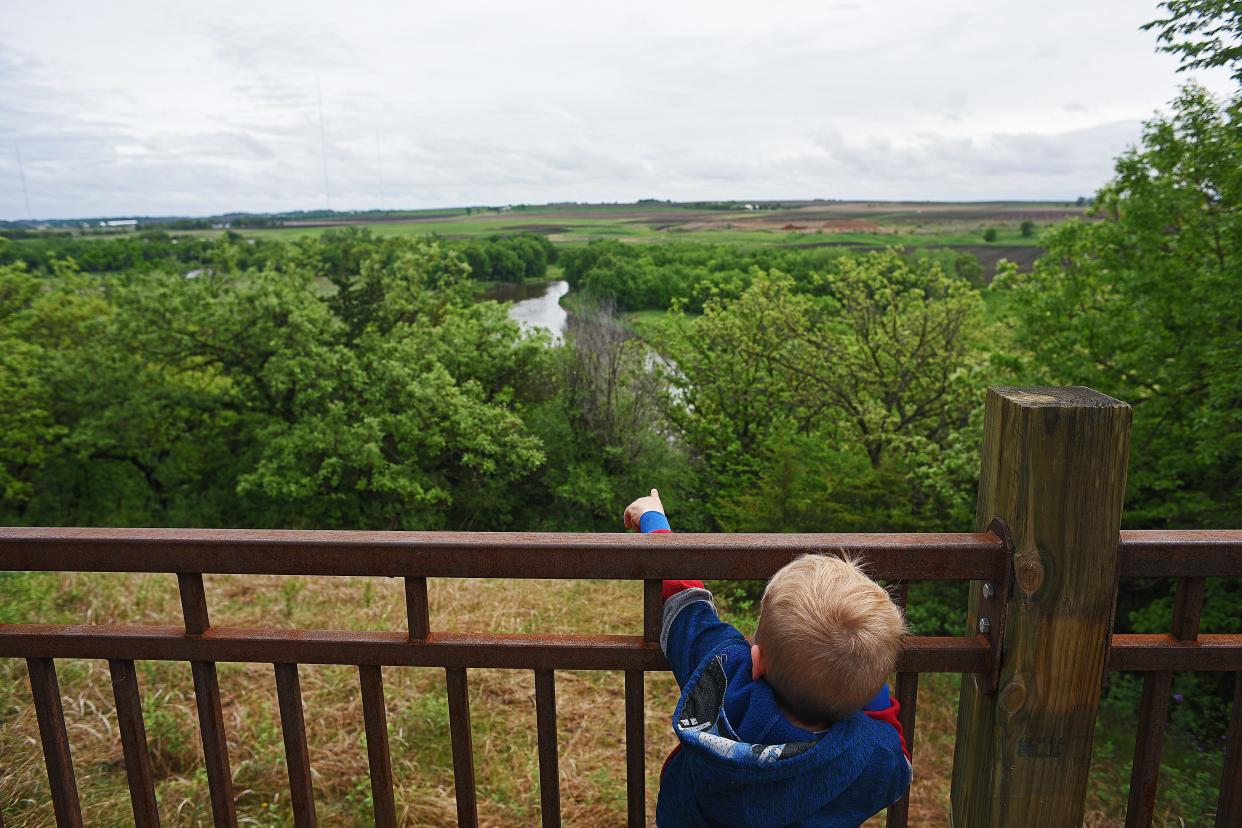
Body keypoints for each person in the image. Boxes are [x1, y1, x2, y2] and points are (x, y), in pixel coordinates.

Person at [624, 489, 911, 827]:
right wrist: (868, 683)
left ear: (756, 660)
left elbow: (687, 603)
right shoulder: (871, 754)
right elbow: (900, 762)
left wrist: (653, 519)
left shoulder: (723, 672)